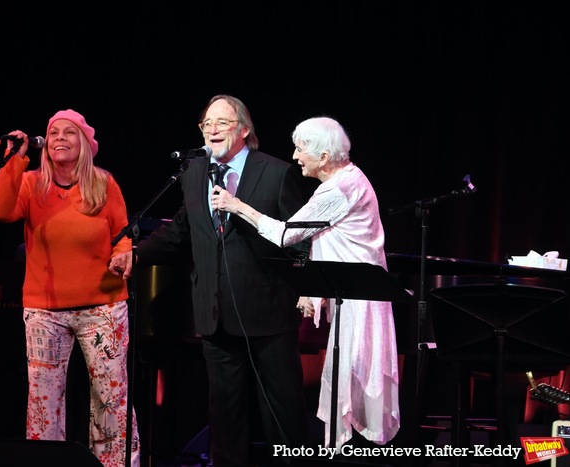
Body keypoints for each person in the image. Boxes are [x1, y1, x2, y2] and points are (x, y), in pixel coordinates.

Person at [127, 95, 310, 466]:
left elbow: (299, 240)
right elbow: (183, 229)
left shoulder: (275, 172)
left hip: (268, 316)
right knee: (225, 419)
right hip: (214, 314)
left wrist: (306, 290)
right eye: (206, 124)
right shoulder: (194, 172)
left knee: (282, 416)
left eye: (222, 123)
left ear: (244, 129)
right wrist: (135, 255)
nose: (212, 130)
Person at [212, 116, 401, 452]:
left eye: (301, 150)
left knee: (354, 381)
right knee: (350, 380)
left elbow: (286, 234)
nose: (295, 156)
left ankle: (349, 454)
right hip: (354, 297)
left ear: (324, 157)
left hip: (359, 302)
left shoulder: (339, 188)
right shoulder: (351, 179)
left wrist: (236, 205)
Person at [0, 109, 140, 467]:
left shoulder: (104, 184)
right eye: (53, 132)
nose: (58, 137)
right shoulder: (30, 183)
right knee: (44, 401)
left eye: (69, 132)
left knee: (110, 397)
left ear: (85, 143)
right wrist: (14, 160)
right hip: (44, 310)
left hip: (103, 307)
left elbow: (123, 235)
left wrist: (124, 254)